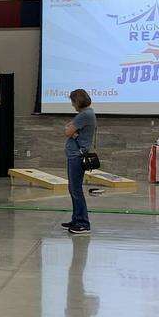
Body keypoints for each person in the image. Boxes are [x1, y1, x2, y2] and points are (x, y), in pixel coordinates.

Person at [62, 88, 97, 234]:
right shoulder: (85, 114)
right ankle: (77, 218)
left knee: (76, 190)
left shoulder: (85, 115)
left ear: (78, 101)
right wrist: (72, 130)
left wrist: (72, 131)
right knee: (73, 189)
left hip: (77, 156)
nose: (72, 105)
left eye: (73, 102)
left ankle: (83, 223)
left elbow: (67, 131)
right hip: (74, 155)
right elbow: (69, 128)